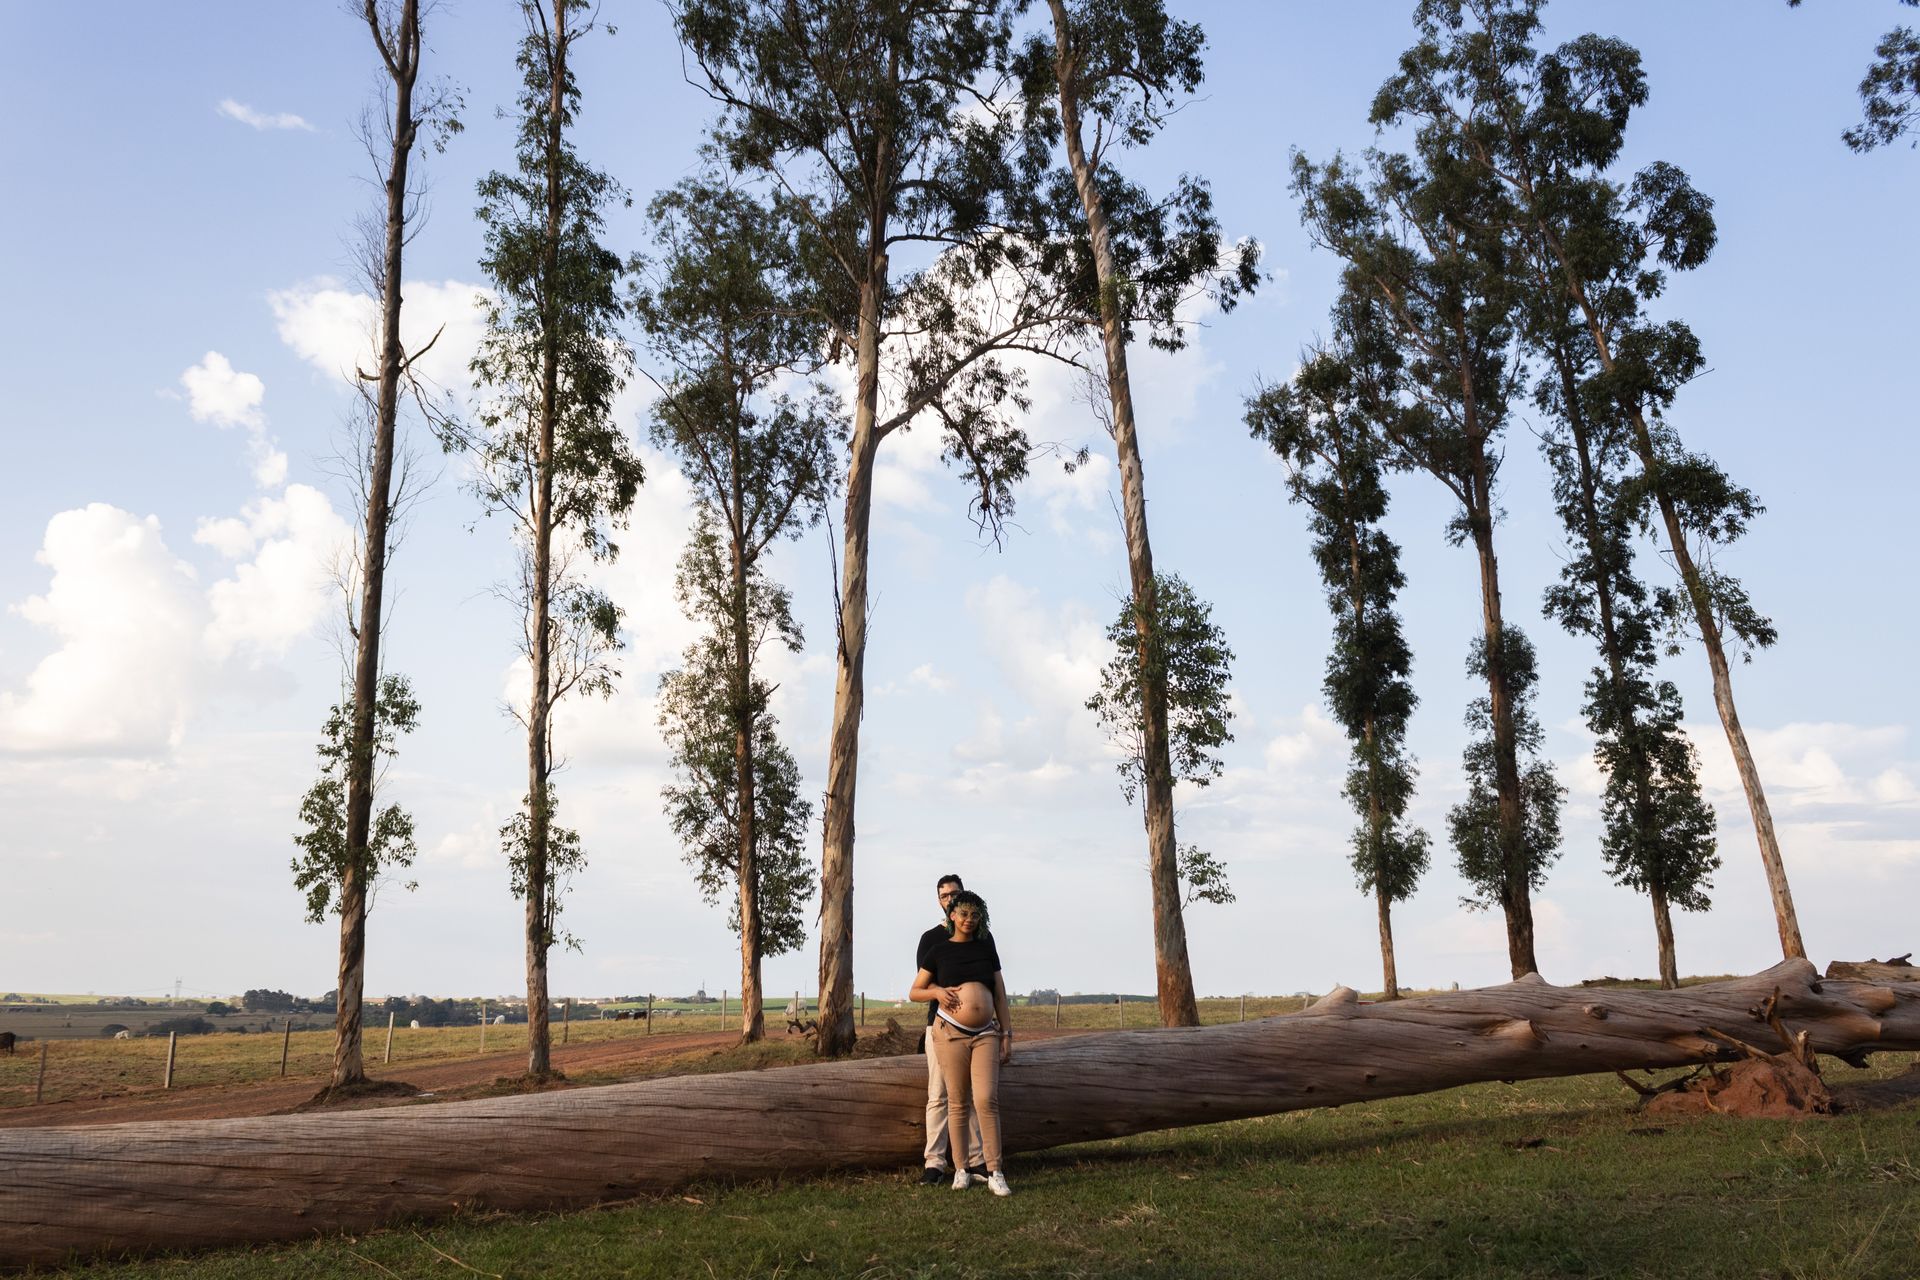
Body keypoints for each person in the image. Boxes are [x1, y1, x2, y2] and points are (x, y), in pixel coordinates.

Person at [910, 889, 1014, 1196]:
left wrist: (1007, 1034)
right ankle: (961, 1169)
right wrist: (938, 993)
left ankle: (995, 1170)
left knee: (986, 1099)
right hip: (950, 1031)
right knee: (955, 1101)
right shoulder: (938, 951)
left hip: (985, 1034)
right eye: (964, 914)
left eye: (975, 915)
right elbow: (915, 991)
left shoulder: (985, 948)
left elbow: (999, 995)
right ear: (952, 916)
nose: (969, 920)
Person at [915, 875, 984, 1185]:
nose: (949, 899)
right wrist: (940, 993)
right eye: (944, 896)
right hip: (940, 1026)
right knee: (939, 1094)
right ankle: (934, 1163)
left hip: (978, 1030)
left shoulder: (981, 935)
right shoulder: (931, 939)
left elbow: (993, 981)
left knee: (971, 1095)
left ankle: (975, 1161)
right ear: (940, 901)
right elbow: (921, 985)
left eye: (954, 894)